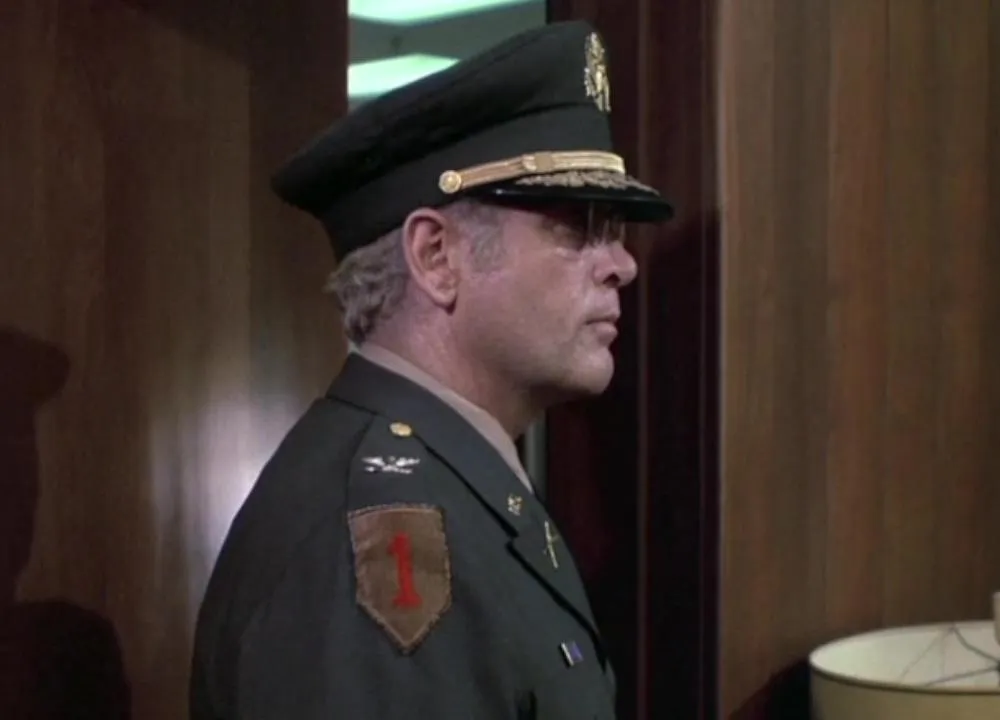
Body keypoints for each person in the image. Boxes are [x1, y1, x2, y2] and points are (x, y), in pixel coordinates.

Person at [188, 20, 672, 720]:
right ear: (436, 257)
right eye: (577, 226)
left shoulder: (450, 482)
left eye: (615, 231)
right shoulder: (372, 546)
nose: (622, 264)